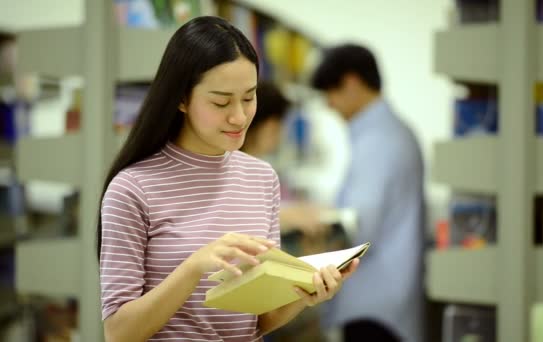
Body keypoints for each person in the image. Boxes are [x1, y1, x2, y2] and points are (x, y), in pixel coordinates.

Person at [97, 16, 358, 342]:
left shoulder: (261, 178)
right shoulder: (133, 188)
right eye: (221, 102)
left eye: (249, 98)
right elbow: (118, 333)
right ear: (181, 98)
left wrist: (306, 292)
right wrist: (193, 268)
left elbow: (258, 320)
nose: (239, 116)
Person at [311, 44, 425, 341]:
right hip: (391, 301)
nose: (329, 105)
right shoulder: (397, 131)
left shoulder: (377, 142)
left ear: (351, 83)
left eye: (330, 93)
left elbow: (358, 227)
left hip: (373, 306)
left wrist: (309, 234)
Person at [240, 81, 328, 239]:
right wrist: (288, 216)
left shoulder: (264, 171)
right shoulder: (234, 171)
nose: (279, 133)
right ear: (267, 126)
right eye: (278, 125)